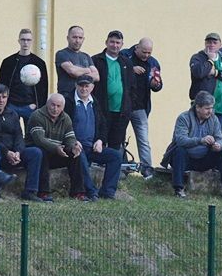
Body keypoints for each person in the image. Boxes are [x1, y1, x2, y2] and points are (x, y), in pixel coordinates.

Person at [160, 90, 222, 199]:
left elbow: (220, 139)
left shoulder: (214, 119)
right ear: (198, 107)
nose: (211, 111)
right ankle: (178, 189)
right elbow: (180, 140)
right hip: (186, 159)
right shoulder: (184, 118)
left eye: (212, 108)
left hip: (205, 158)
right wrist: (200, 140)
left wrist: (218, 145)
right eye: (207, 108)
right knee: (179, 150)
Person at [0, 83, 44, 202]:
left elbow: (19, 135)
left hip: (13, 153)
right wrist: (6, 152)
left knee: (35, 152)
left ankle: (30, 191)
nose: (1, 100)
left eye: (4, 97)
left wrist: (18, 152)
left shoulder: (12, 114)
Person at [64, 76, 122, 200]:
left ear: (92, 87)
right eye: (81, 86)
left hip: (92, 147)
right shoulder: (68, 101)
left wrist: (100, 140)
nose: (83, 89)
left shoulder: (94, 102)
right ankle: (91, 192)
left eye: (87, 86)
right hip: (75, 146)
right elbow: (64, 126)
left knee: (116, 156)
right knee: (80, 158)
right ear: (76, 85)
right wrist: (73, 141)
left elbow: (102, 125)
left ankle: (107, 192)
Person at [25, 93, 86, 201]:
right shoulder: (37, 115)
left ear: (63, 107)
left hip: (57, 153)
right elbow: (40, 140)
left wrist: (73, 147)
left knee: (76, 155)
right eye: (53, 105)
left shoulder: (66, 118)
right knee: (41, 152)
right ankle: (43, 192)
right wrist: (56, 148)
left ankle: (78, 192)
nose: (55, 109)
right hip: (38, 154)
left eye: (58, 106)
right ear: (47, 104)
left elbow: (70, 138)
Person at [121, 37, 163, 179]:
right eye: (144, 52)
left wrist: (155, 84)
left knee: (144, 139)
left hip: (140, 107)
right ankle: (121, 166)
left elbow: (158, 84)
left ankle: (147, 169)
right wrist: (130, 69)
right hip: (122, 105)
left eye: (149, 53)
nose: (146, 55)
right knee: (118, 137)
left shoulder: (153, 62)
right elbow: (116, 73)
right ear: (136, 47)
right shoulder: (124, 55)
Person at [91, 30, 135, 151]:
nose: (114, 45)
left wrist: (129, 108)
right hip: (102, 111)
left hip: (121, 113)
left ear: (122, 44)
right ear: (106, 42)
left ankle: (113, 169)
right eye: (112, 42)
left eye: (117, 42)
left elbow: (132, 87)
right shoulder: (96, 60)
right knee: (100, 142)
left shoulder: (126, 62)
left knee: (116, 146)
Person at [0, 28, 48, 122]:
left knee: (31, 135)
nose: (25, 43)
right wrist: (4, 104)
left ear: (32, 41)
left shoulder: (39, 63)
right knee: (10, 134)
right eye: (23, 40)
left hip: (31, 106)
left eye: (28, 40)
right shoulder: (8, 62)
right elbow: (0, 84)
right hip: (11, 105)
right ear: (19, 41)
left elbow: (44, 87)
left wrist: (38, 106)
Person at [189, 32, 222, 130]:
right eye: (209, 42)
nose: (211, 45)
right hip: (202, 107)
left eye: (215, 42)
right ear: (205, 44)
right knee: (199, 135)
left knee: (217, 138)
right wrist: (210, 60)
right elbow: (198, 73)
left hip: (221, 107)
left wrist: (216, 73)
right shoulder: (197, 57)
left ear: (220, 45)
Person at [55, 25, 100, 102]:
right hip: (67, 98)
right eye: (74, 37)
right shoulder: (62, 54)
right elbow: (72, 72)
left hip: (84, 99)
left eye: (80, 38)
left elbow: (96, 76)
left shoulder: (86, 56)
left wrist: (77, 70)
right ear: (68, 38)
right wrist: (87, 70)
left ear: (83, 39)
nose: (77, 40)